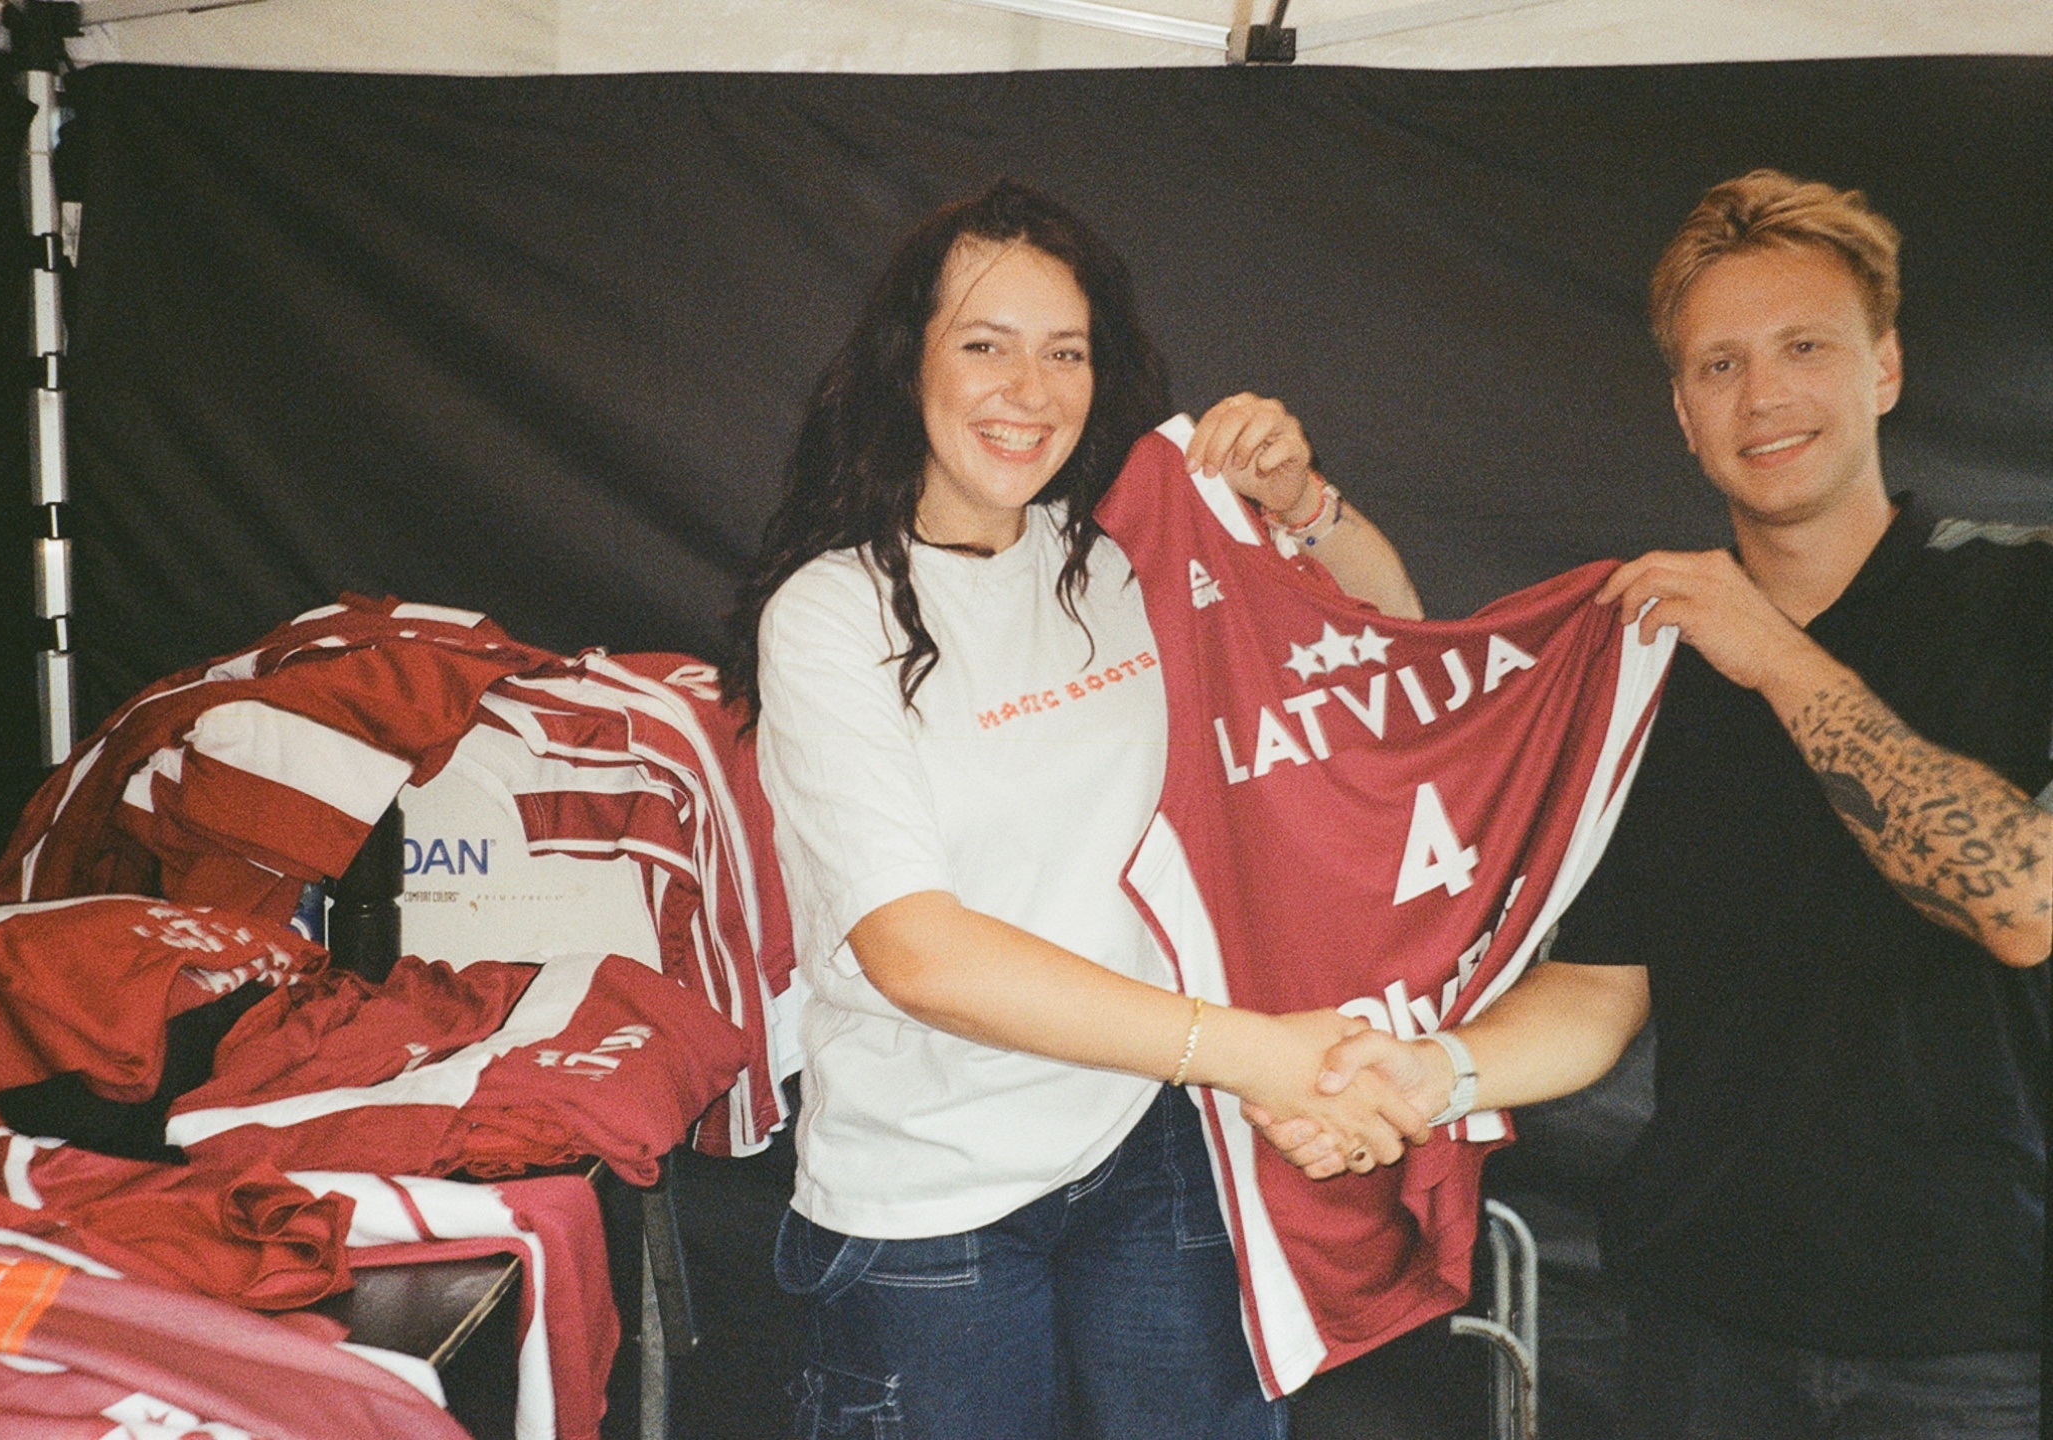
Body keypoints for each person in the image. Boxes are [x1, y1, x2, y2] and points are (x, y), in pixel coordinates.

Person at [1265, 169, 2050, 1437]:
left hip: (1976, 1340)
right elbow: (1596, 989)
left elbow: (2019, 900)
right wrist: (1432, 1072)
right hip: (1705, 1325)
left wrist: (1776, 655)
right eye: (1718, 366)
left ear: (1885, 368)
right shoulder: (1642, 669)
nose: (1763, 396)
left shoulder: (2020, 598)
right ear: (1683, 414)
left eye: (1804, 348)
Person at [721, 178, 1428, 1440]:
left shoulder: (1118, 556)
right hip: (932, 1195)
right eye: (983, 346)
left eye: (1065, 352)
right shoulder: (829, 615)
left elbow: (1384, 652)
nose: (1028, 390)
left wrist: (1298, 502)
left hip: (1152, 1147)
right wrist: (1257, 1053)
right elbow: (919, 954)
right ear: (905, 363)